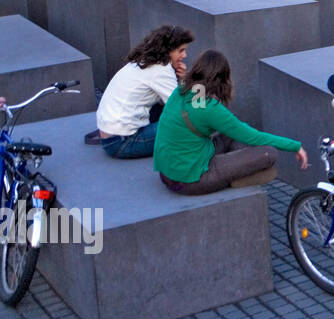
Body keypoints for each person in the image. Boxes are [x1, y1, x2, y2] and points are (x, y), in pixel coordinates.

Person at [155, 50, 307, 196]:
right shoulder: (210, 109)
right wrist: (294, 146)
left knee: (233, 134)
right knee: (269, 154)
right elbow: (254, 137)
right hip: (190, 180)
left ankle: (235, 168)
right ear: (222, 78)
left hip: (168, 172)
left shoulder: (182, 90)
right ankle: (234, 177)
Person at [94, 25, 194, 158]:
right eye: (181, 50)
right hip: (123, 143)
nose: (184, 55)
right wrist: (185, 80)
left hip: (110, 135)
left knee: (162, 108)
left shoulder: (143, 61)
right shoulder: (161, 69)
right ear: (168, 50)